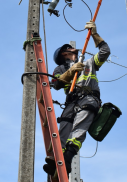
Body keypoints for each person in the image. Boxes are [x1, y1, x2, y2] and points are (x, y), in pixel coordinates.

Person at [43, 20, 111, 176]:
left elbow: (105, 51)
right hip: (71, 102)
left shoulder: (89, 63)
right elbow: (57, 83)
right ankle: (57, 161)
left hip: (88, 99)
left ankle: (67, 159)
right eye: (69, 48)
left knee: (79, 129)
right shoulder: (59, 68)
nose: (73, 48)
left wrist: (94, 34)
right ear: (64, 53)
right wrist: (71, 71)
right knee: (64, 131)